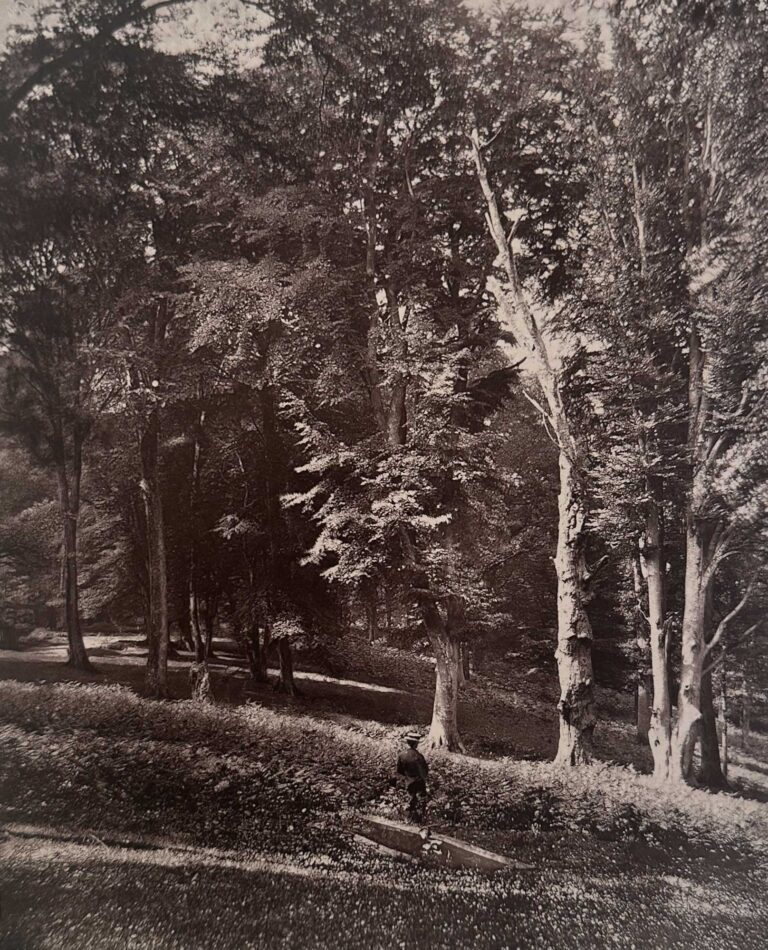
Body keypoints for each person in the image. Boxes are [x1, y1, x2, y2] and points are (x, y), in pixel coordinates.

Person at [396, 731, 429, 824]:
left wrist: (406, 777)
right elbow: (425, 771)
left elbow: (399, 771)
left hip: (409, 782)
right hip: (420, 782)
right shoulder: (419, 756)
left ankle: (408, 819)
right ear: (416, 744)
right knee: (421, 802)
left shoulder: (402, 755)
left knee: (410, 800)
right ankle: (419, 821)